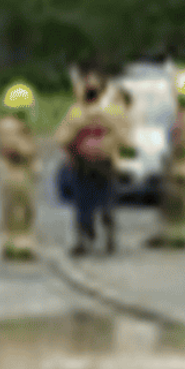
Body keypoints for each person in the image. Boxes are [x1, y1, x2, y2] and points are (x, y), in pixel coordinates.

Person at [56, 74, 123, 256]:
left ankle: (103, 238)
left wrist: (102, 145)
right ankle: (87, 239)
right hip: (84, 165)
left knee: (99, 203)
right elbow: (62, 137)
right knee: (87, 204)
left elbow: (121, 136)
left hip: (100, 164)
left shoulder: (105, 111)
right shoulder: (80, 112)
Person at [0, 82, 43, 261]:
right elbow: (21, 150)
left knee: (18, 210)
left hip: (13, 172)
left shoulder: (12, 125)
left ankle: (14, 243)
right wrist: (31, 150)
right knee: (19, 211)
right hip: (15, 172)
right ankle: (19, 246)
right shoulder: (11, 126)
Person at [154, 68, 185, 249]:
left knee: (176, 202)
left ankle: (176, 237)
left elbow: (181, 142)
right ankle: (178, 235)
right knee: (184, 202)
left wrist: (171, 159)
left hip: (181, 164)